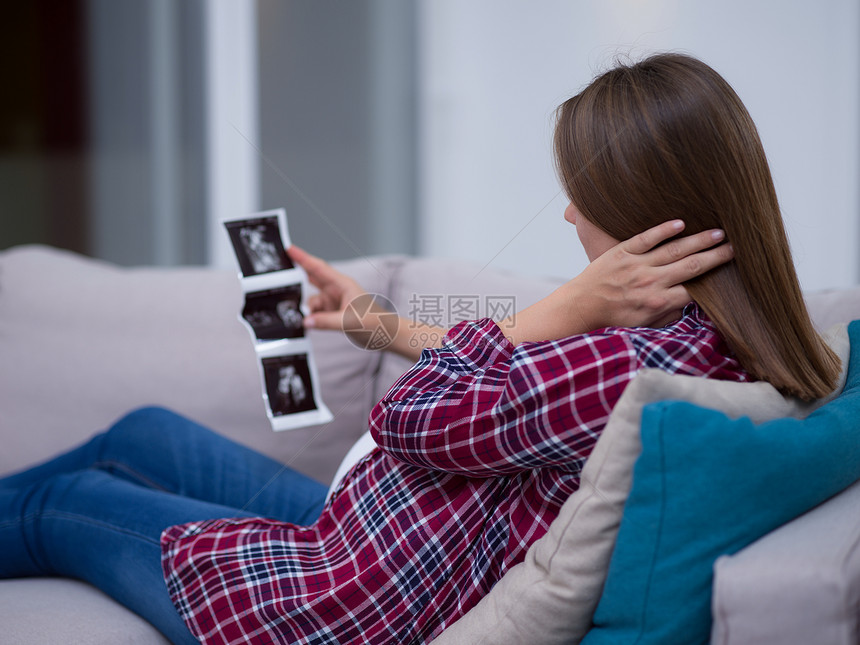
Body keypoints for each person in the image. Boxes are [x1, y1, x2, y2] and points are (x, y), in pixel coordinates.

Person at [0, 53, 839, 644]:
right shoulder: (706, 344)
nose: (569, 218)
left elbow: (405, 417)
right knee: (147, 431)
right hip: (380, 538)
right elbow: (510, 402)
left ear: (643, 215)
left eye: (580, 197)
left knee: (64, 501)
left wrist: (561, 306)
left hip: (338, 597)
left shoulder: (621, 366)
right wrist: (386, 327)